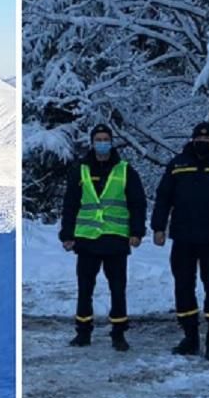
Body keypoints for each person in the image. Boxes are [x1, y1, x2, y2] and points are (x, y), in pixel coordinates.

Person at [151, 122, 209, 360]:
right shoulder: (178, 164)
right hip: (183, 238)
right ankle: (190, 336)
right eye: (199, 138)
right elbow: (163, 197)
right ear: (192, 139)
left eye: (207, 139)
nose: (203, 142)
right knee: (183, 287)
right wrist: (158, 227)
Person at [60, 123, 147, 352]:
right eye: (97, 139)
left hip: (115, 239)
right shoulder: (80, 169)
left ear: (111, 141)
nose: (101, 143)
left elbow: (138, 203)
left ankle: (118, 334)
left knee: (117, 289)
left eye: (105, 139)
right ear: (92, 142)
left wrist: (137, 232)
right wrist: (67, 234)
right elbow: (70, 204)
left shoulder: (125, 170)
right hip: (87, 240)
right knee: (85, 289)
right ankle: (83, 332)